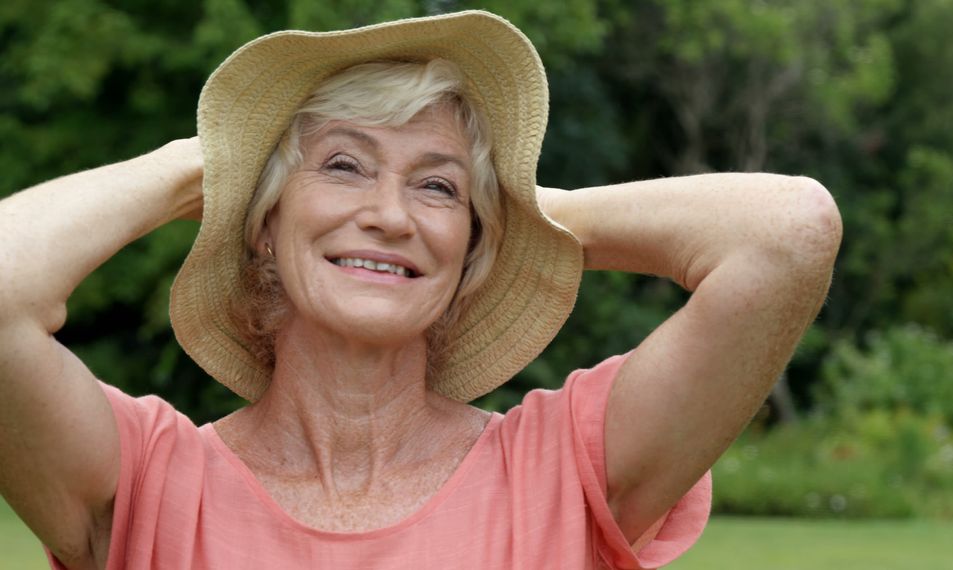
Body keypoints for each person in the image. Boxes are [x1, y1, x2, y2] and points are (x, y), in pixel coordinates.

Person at [0, 10, 841, 570]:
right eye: (342, 166)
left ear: (473, 247)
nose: (390, 215)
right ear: (263, 223)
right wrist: (208, 164)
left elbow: (788, 232)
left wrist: (528, 219)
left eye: (437, 189)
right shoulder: (146, 484)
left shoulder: (566, 470)